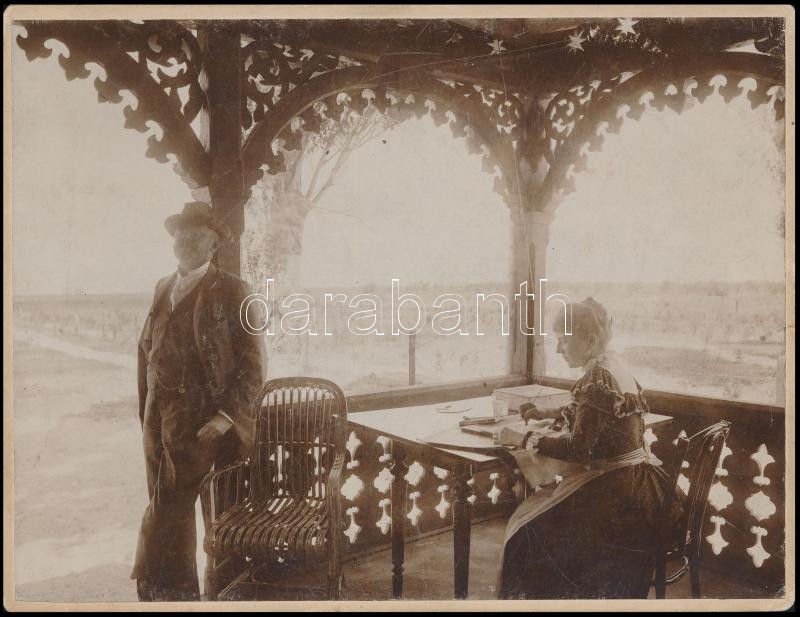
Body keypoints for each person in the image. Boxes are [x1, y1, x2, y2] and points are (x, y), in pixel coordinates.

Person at [495, 297, 683, 599]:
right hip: (642, 484)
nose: (558, 349)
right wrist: (547, 413)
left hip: (620, 495)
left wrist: (522, 438)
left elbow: (579, 448)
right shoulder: (613, 366)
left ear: (590, 341)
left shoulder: (597, 377)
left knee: (526, 532)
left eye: (563, 340)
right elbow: (596, 412)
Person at [131, 202, 266, 601]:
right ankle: (172, 593)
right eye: (180, 234)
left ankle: (202, 591)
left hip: (204, 421)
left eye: (196, 235)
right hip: (159, 417)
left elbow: (254, 364)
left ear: (214, 245)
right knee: (163, 501)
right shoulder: (162, 286)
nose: (185, 241)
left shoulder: (234, 290)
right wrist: (147, 408)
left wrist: (227, 416)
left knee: (192, 506)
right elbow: (147, 349)